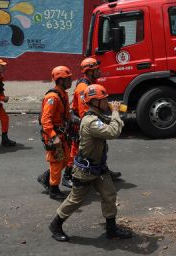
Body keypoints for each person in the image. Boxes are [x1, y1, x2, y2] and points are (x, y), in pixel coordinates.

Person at [49, 84, 132, 242]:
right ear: (95, 102)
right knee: (76, 199)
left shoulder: (98, 117)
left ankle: (111, 230)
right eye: (104, 99)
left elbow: (113, 123)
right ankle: (56, 225)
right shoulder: (90, 121)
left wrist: (118, 115)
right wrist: (115, 112)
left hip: (99, 167)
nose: (107, 101)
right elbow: (113, 132)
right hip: (86, 170)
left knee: (109, 194)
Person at [63, 57, 121, 188]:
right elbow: (86, 111)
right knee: (77, 151)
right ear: (89, 71)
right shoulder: (84, 87)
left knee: (101, 148)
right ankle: (67, 176)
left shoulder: (90, 83)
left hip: (85, 120)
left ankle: (104, 171)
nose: (99, 71)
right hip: (81, 123)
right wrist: (97, 123)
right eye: (96, 69)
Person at [37, 66, 72, 200]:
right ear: (60, 80)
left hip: (61, 133)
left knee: (66, 159)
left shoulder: (63, 94)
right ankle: (54, 189)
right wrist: (53, 136)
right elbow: (46, 119)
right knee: (57, 162)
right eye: (68, 79)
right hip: (54, 135)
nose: (70, 81)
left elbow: (65, 114)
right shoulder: (52, 97)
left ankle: (45, 177)